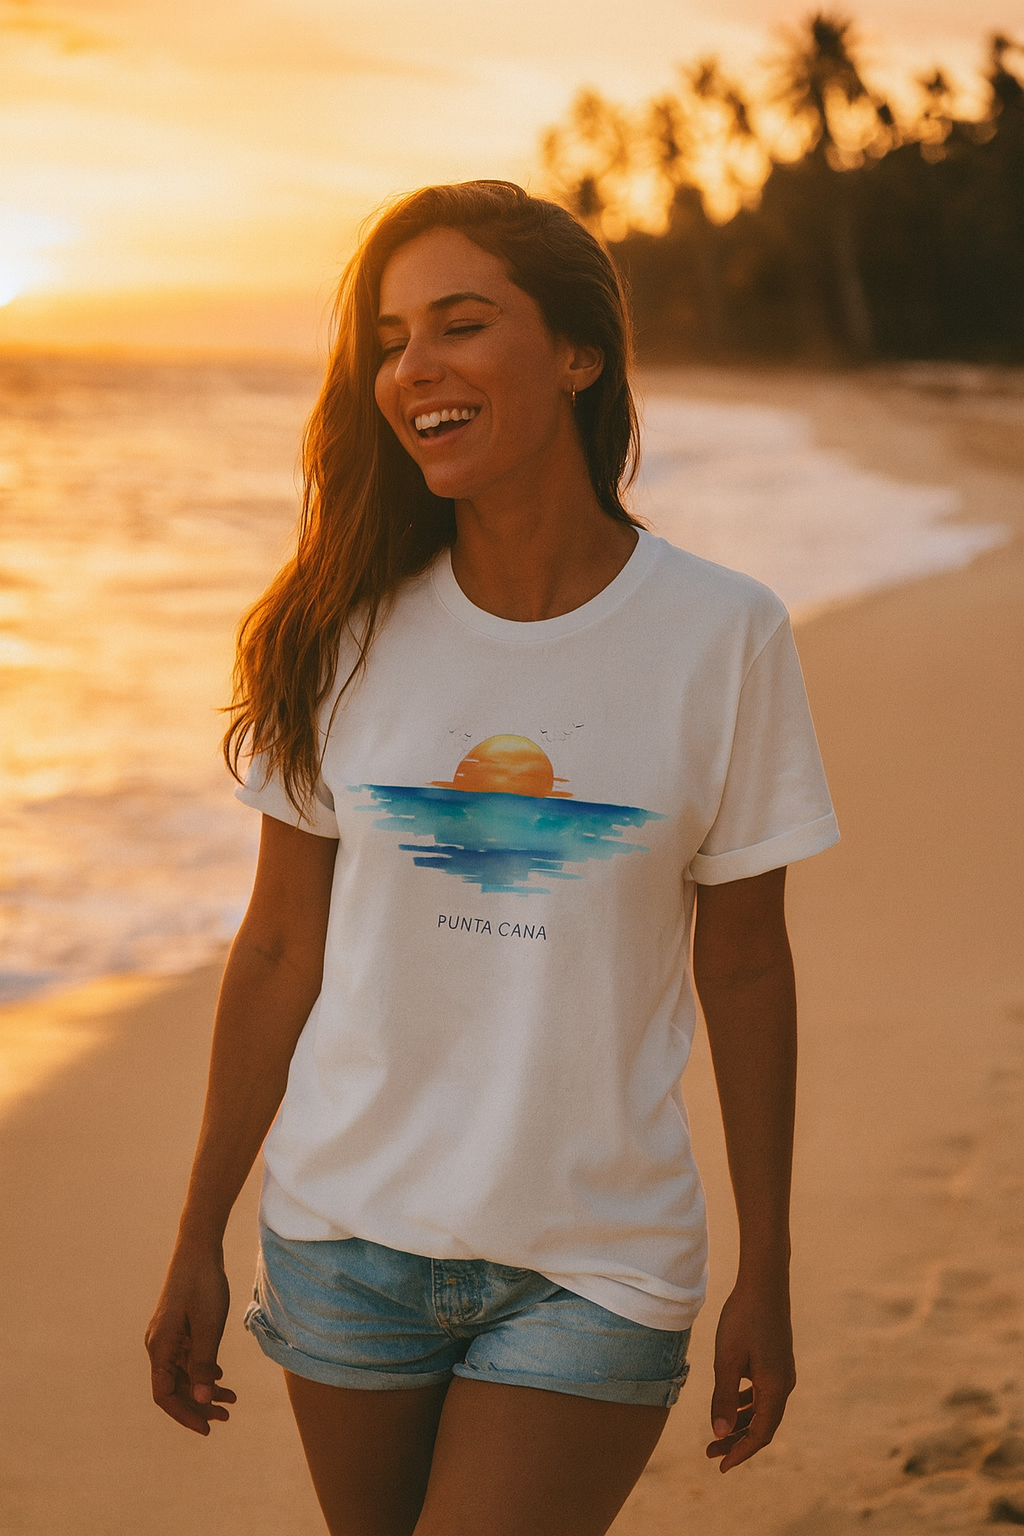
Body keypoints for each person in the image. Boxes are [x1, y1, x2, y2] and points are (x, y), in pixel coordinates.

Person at [146, 180, 839, 1536]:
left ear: (578, 353)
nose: (415, 368)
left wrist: (768, 1265)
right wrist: (195, 1235)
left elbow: (748, 967)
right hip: (345, 1238)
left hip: (595, 1258)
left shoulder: (723, 635)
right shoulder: (338, 631)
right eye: (391, 340)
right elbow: (279, 948)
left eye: (461, 326)